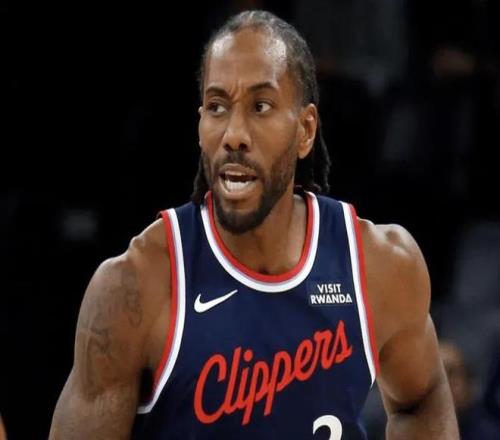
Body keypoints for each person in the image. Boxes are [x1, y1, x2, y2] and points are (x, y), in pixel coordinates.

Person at [49, 10, 459, 439]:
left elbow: (422, 398)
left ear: (305, 131)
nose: (234, 134)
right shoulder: (136, 286)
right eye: (217, 107)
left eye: (260, 106)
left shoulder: (378, 265)